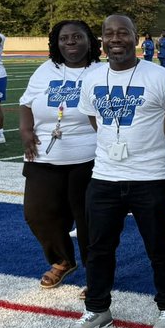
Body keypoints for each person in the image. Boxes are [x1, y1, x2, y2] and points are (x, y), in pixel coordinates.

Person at [62, 14, 165, 328]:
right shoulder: (91, 78)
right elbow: (95, 121)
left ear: (136, 38)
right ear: (102, 40)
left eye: (123, 33)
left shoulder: (160, 76)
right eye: (109, 34)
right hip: (104, 175)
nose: (116, 39)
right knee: (98, 247)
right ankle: (97, 307)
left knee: (157, 245)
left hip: (150, 175)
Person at [18, 20, 100, 290]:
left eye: (77, 37)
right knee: (38, 213)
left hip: (89, 158)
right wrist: (26, 131)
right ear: (56, 42)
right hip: (44, 155)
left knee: (89, 219)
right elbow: (26, 103)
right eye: (64, 38)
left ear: (90, 41)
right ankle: (63, 260)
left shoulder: (101, 71)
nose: (71, 42)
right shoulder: (46, 70)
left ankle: (95, 273)